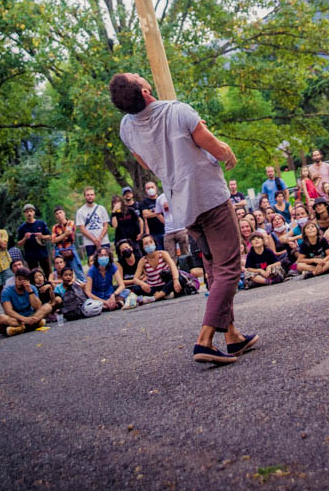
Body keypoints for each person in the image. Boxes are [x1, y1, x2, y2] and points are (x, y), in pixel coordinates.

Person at [110, 71, 257, 365]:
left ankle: (232, 336)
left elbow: (145, 161)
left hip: (181, 204)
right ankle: (204, 340)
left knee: (213, 266)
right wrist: (227, 153)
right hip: (209, 197)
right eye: (137, 76)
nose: (139, 73)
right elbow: (212, 144)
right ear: (146, 91)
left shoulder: (127, 127)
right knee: (229, 267)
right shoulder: (178, 111)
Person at [0, 266, 52, 336]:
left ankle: (20, 329)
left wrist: (30, 292)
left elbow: (38, 307)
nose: (21, 282)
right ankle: (33, 325)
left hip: (31, 315)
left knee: (47, 307)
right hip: (16, 318)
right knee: (1, 318)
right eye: (19, 279)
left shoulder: (32, 288)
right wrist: (25, 320)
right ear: (15, 278)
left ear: (28, 281)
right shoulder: (6, 291)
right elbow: (8, 311)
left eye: (24, 280)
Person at [133, 234, 183, 302]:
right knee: (136, 288)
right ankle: (164, 295)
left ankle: (156, 297)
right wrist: (143, 284)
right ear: (142, 247)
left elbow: (173, 266)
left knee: (179, 279)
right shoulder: (142, 261)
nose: (149, 245)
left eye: (151, 242)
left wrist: (175, 279)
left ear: (154, 243)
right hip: (153, 288)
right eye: (146, 244)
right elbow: (135, 279)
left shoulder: (163, 254)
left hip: (165, 284)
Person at [85, 246, 128, 310]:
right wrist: (105, 302)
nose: (103, 257)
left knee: (127, 291)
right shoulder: (92, 270)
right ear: (97, 257)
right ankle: (113, 304)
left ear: (109, 257)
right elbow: (88, 292)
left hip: (110, 295)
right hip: (97, 297)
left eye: (105, 255)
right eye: (101, 255)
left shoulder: (112, 266)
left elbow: (122, 285)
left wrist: (113, 295)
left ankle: (110, 305)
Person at [75, 187, 111, 263]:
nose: (90, 196)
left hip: (103, 241)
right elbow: (82, 229)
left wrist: (100, 238)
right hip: (89, 242)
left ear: (94, 196)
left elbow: (106, 225)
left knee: (107, 262)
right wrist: (94, 240)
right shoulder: (80, 211)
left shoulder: (101, 208)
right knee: (93, 263)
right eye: (88, 195)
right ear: (85, 196)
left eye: (91, 194)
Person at [16, 205, 52, 279]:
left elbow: (50, 237)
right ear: (24, 214)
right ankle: (36, 289)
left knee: (48, 273)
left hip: (42, 254)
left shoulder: (41, 223)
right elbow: (19, 244)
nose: (29, 213)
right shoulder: (22, 227)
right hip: (30, 255)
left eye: (31, 211)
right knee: (33, 275)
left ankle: (50, 287)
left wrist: (42, 236)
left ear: (34, 212)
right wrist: (25, 238)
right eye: (27, 212)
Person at [155, 192, 190, 262]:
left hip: (181, 229)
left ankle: (188, 271)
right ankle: (174, 271)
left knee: (186, 255)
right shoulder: (160, 198)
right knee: (170, 258)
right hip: (169, 231)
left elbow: (186, 207)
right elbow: (157, 213)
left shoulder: (179, 193)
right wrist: (165, 222)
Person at [51, 207, 84, 277]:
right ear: (55, 216)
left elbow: (69, 233)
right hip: (59, 250)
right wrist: (64, 234)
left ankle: (82, 283)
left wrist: (59, 237)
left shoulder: (70, 223)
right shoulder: (55, 227)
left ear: (64, 213)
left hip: (70, 248)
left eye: (60, 212)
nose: (59, 215)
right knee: (58, 271)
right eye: (57, 214)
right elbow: (53, 240)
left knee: (77, 269)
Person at [111, 189, 144, 254]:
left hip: (133, 238)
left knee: (137, 255)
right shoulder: (114, 215)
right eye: (114, 203)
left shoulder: (130, 210)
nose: (116, 204)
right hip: (121, 238)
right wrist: (114, 213)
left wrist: (141, 232)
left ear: (121, 202)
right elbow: (115, 225)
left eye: (118, 202)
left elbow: (140, 220)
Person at [140, 180, 165, 250]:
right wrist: (159, 211)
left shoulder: (162, 199)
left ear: (156, 188)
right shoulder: (144, 202)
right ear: (145, 190)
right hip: (154, 233)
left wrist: (152, 212)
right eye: (148, 188)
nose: (150, 189)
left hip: (166, 230)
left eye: (152, 187)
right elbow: (145, 215)